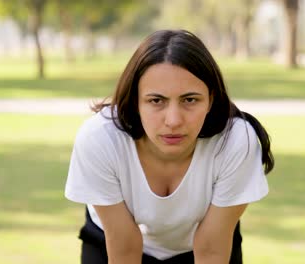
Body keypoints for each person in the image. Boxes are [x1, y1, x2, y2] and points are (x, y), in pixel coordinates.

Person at [65, 29, 274, 264]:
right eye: (156, 101)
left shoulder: (235, 141)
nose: (173, 120)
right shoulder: (99, 139)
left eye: (190, 100)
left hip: (203, 244)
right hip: (110, 242)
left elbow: (212, 248)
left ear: (211, 99)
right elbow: (124, 246)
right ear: (135, 101)